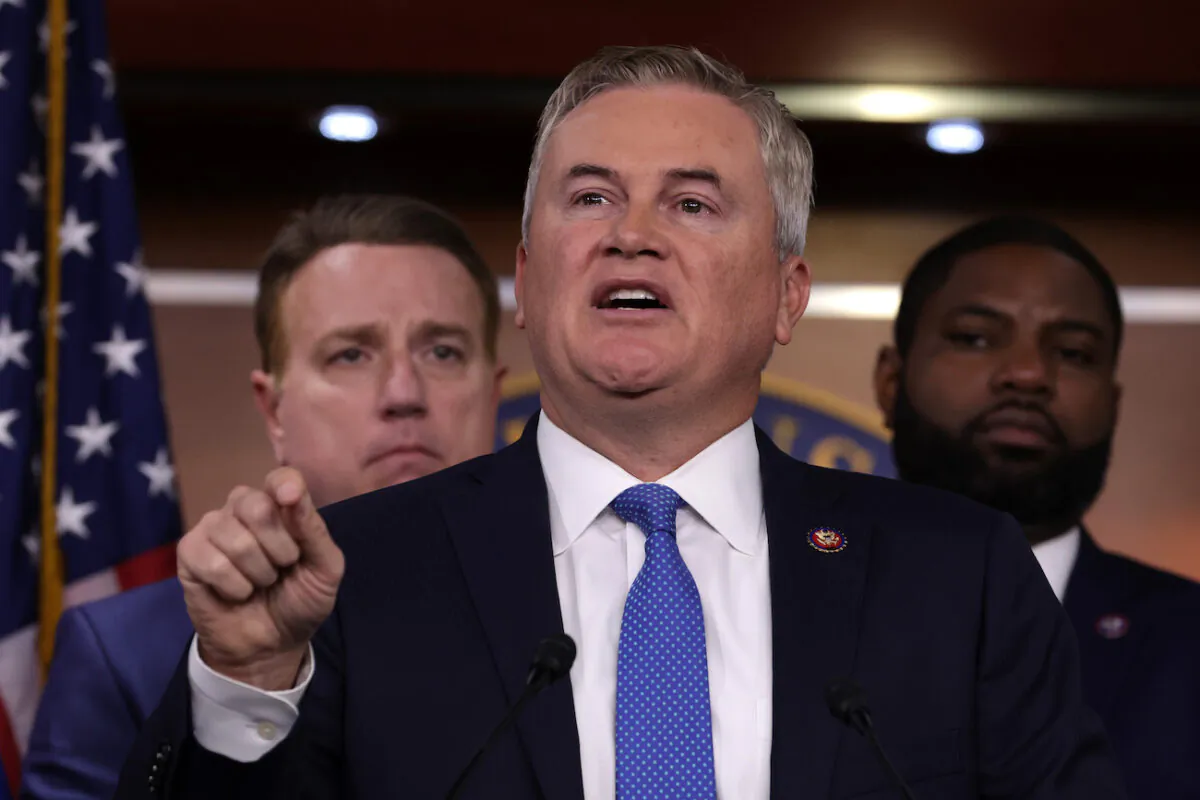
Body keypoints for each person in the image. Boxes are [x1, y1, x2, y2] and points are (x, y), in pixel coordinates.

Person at [114, 47, 1124, 800]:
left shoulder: (961, 576)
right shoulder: (354, 574)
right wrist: (245, 685)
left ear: (785, 293)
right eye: (590, 196)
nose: (631, 234)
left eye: (692, 204)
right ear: (525, 278)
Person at [20, 194, 505, 800]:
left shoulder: (594, 618)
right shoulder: (122, 653)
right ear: (272, 409)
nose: (404, 392)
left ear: (494, 392)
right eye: (351, 354)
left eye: (443, 351)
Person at [874, 215, 1200, 799]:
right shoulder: (779, 605)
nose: (1028, 375)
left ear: (1114, 404)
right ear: (890, 383)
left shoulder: (1188, 642)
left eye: (1074, 353)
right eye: (974, 338)